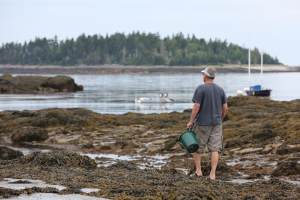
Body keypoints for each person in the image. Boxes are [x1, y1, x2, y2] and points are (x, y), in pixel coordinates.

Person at [186, 66, 228, 180]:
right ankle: (212, 174)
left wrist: (191, 121)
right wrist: (221, 119)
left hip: (202, 123)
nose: (202, 76)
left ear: (205, 75)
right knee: (215, 149)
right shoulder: (220, 89)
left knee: (196, 147)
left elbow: (197, 105)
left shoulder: (201, 88)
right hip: (216, 123)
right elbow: (225, 108)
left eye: (203, 74)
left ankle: (199, 171)